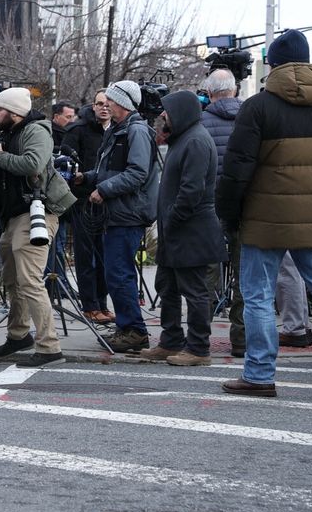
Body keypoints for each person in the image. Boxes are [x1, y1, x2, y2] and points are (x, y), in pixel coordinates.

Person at [216, 29, 312, 398]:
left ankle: (260, 374)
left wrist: (228, 215)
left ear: (274, 64)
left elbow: (236, 170)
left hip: (264, 221)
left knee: (259, 297)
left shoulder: (258, 107)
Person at [0, 87, 77, 368]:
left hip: (37, 211)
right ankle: (18, 335)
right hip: (13, 215)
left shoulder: (36, 131)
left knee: (30, 279)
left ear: (14, 112)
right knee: (11, 277)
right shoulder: (5, 134)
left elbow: (33, 164)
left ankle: (49, 347)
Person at [137, 91, 226, 366]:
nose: (162, 116)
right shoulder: (182, 139)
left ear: (181, 113)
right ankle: (171, 341)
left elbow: (192, 190)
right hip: (175, 232)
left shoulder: (197, 141)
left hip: (191, 231)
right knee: (168, 286)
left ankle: (198, 348)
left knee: (195, 291)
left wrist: (172, 219)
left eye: (167, 111)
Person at [75, 80, 159, 353]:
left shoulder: (135, 131)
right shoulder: (120, 130)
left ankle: (134, 330)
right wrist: (84, 178)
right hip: (118, 213)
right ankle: (127, 326)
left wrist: (103, 189)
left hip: (127, 215)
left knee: (119, 274)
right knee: (115, 273)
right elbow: (108, 170)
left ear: (123, 102)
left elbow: (137, 173)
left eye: (110, 100)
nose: (106, 104)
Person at [200, 68, 246, 355]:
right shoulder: (250, 117)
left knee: (206, 274)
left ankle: (199, 337)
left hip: (209, 206)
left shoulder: (200, 122)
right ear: (235, 90)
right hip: (245, 206)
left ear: (209, 92)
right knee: (245, 277)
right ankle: (241, 340)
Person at [62, 90, 113, 323]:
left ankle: (102, 304)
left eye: (107, 104)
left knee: (104, 255)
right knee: (86, 256)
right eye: (99, 103)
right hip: (83, 202)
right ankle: (90, 305)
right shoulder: (78, 130)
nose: (104, 108)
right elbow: (65, 167)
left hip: (109, 200)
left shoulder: (116, 130)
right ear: (93, 106)